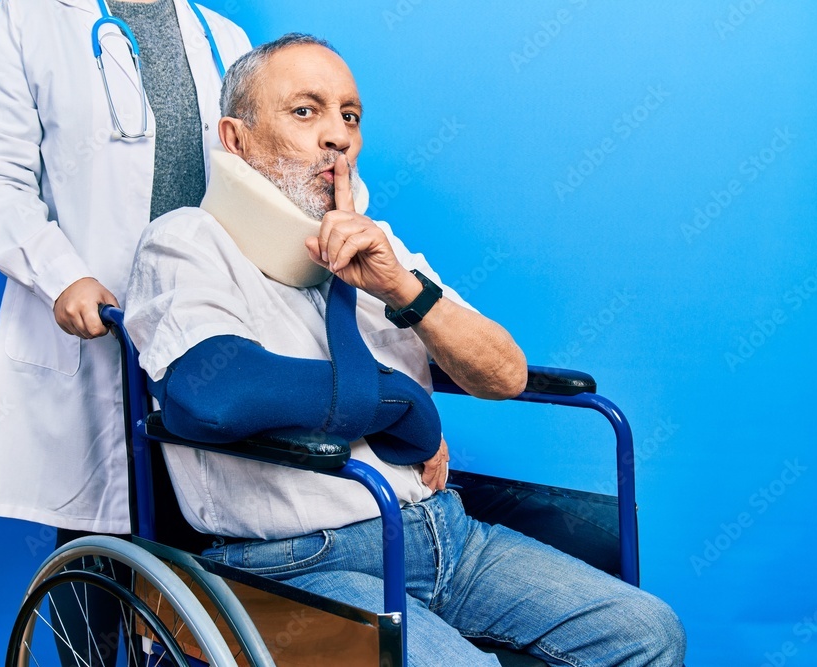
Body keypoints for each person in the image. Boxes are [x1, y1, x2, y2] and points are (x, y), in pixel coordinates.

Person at [125, 33, 686, 666]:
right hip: (300, 562)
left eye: (350, 116)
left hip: (448, 534)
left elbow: (503, 374)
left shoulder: (383, 247)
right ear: (237, 139)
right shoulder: (186, 242)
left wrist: (405, 291)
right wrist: (403, 404)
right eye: (306, 112)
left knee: (647, 630)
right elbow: (214, 396)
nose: (337, 135)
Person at [0, 1, 249, 664]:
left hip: (203, 339)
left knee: (204, 581)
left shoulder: (222, 36)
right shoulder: (26, 20)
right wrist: (62, 276)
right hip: (96, 333)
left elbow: (258, 178)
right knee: (95, 566)